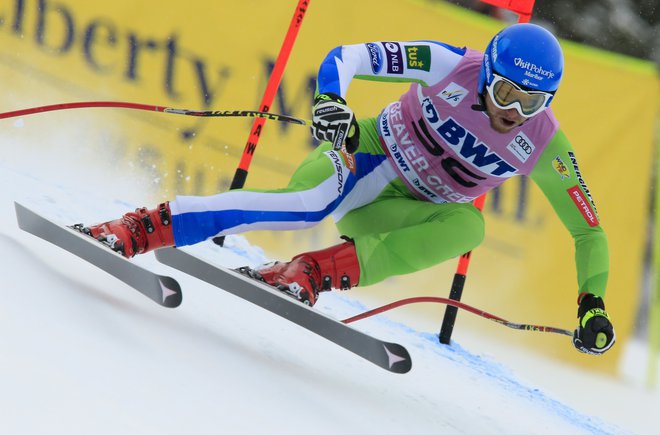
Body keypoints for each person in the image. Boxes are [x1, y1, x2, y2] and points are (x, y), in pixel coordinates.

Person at [83, 23, 615, 355]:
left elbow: (588, 231)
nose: (510, 113)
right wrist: (331, 98)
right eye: (504, 92)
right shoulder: (452, 64)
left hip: (402, 212)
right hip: (365, 157)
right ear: (487, 75)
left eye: (532, 103)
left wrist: (591, 303)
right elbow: (349, 55)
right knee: (306, 205)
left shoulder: (546, 145)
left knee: (468, 225)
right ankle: (142, 226)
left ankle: (311, 271)